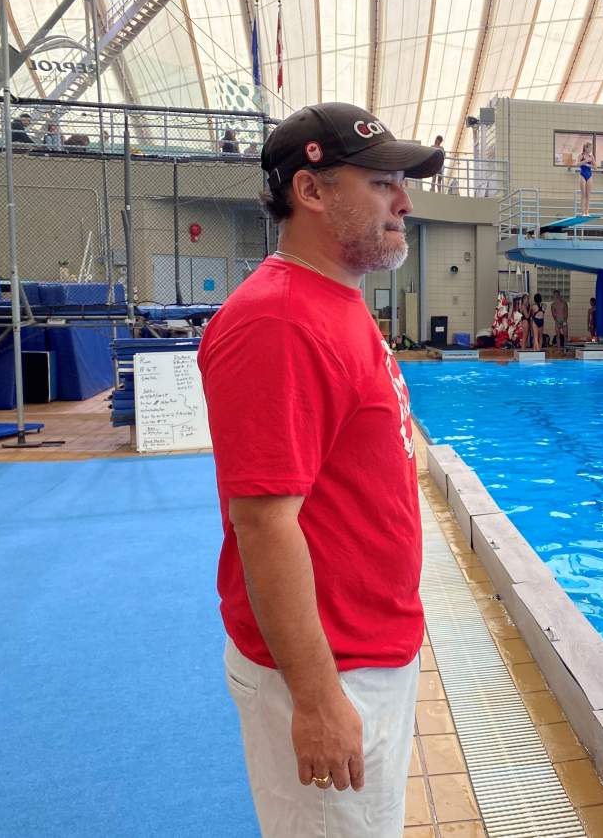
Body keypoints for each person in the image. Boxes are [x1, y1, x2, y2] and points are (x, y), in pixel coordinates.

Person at [197, 102, 443, 838]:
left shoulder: (332, 301)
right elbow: (264, 523)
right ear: (311, 190)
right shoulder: (278, 321)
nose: (404, 201)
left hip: (367, 650)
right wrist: (316, 698)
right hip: (332, 669)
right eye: (380, 182)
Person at [576, 142, 595, 215]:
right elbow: (577, 164)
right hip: (582, 175)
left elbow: (595, 167)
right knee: (583, 194)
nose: (590, 149)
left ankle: (587, 212)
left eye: (591, 148)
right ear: (585, 148)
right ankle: (583, 212)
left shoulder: (591, 157)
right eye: (589, 148)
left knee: (588, 195)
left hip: (589, 175)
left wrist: (589, 165)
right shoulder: (581, 155)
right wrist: (585, 161)